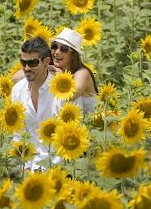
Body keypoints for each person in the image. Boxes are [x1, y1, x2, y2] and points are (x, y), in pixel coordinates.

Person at [12, 28, 98, 116]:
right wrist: (45, 67)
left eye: (64, 49)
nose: (57, 52)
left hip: (93, 126)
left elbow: (68, 96)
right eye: (54, 46)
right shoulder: (50, 65)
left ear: (73, 55)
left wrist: (58, 75)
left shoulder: (82, 73)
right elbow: (14, 79)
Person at [11, 36, 61, 172]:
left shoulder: (62, 91)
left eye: (33, 63)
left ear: (46, 62)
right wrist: (24, 169)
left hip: (59, 168)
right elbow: (18, 134)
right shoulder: (17, 90)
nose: (26, 68)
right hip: (29, 168)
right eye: (23, 62)